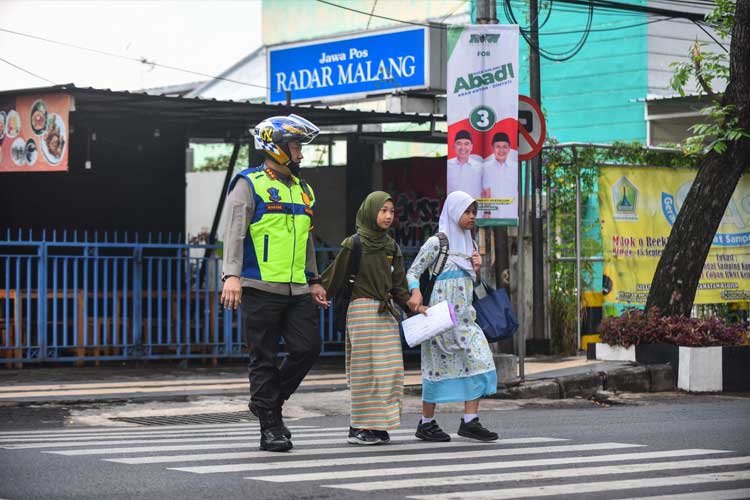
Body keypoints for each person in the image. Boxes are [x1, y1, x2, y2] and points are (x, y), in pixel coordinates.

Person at [220, 114, 329, 452]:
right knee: (263, 357)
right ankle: (271, 427)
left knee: (308, 348)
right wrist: (232, 276)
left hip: (297, 288)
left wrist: (314, 279)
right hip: (259, 286)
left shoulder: (303, 189)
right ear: (276, 147)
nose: (300, 153)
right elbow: (234, 234)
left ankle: (268, 403)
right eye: (295, 146)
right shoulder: (248, 183)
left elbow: (307, 241)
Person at [405, 191, 498, 442]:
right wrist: (415, 294)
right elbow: (413, 271)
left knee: (479, 361)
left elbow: (474, 286)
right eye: (467, 212)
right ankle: (426, 423)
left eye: (474, 212)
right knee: (435, 370)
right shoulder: (438, 243)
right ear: (455, 211)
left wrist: (477, 270)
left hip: (466, 320)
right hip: (440, 321)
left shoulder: (472, 244)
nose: (472, 217)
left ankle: (470, 421)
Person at [322, 191, 409, 445]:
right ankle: (360, 426)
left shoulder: (392, 246)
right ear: (371, 211)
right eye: (383, 210)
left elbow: (399, 286)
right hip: (361, 311)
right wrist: (318, 291)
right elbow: (334, 276)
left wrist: (415, 304)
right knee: (366, 371)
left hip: (387, 312)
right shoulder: (355, 243)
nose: (388, 216)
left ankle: (379, 424)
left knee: (390, 371)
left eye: (391, 211)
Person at [481, 132, 518, 219]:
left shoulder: (515, 168)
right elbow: (486, 192)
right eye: (498, 146)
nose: (501, 150)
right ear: (493, 148)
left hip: (511, 215)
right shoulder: (485, 167)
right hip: (491, 216)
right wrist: (487, 211)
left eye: (504, 147)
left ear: (509, 148)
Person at [446, 130, 483, 199]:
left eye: (466, 144)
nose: (462, 148)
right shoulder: (447, 166)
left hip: (473, 208)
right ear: (454, 146)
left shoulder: (480, 168)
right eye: (459, 143)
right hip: (453, 208)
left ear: (471, 147)